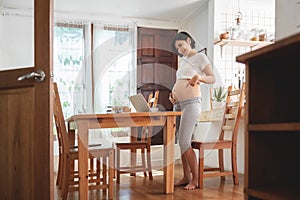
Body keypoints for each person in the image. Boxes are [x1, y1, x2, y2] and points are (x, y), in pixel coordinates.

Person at [169, 31, 216, 190]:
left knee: (184, 141)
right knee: (181, 143)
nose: (180, 50)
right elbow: (180, 80)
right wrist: (174, 95)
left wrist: (199, 77)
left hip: (192, 103)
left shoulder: (201, 57)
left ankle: (196, 180)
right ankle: (186, 176)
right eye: (178, 48)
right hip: (178, 104)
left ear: (188, 40)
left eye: (181, 45)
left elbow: (211, 77)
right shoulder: (183, 61)